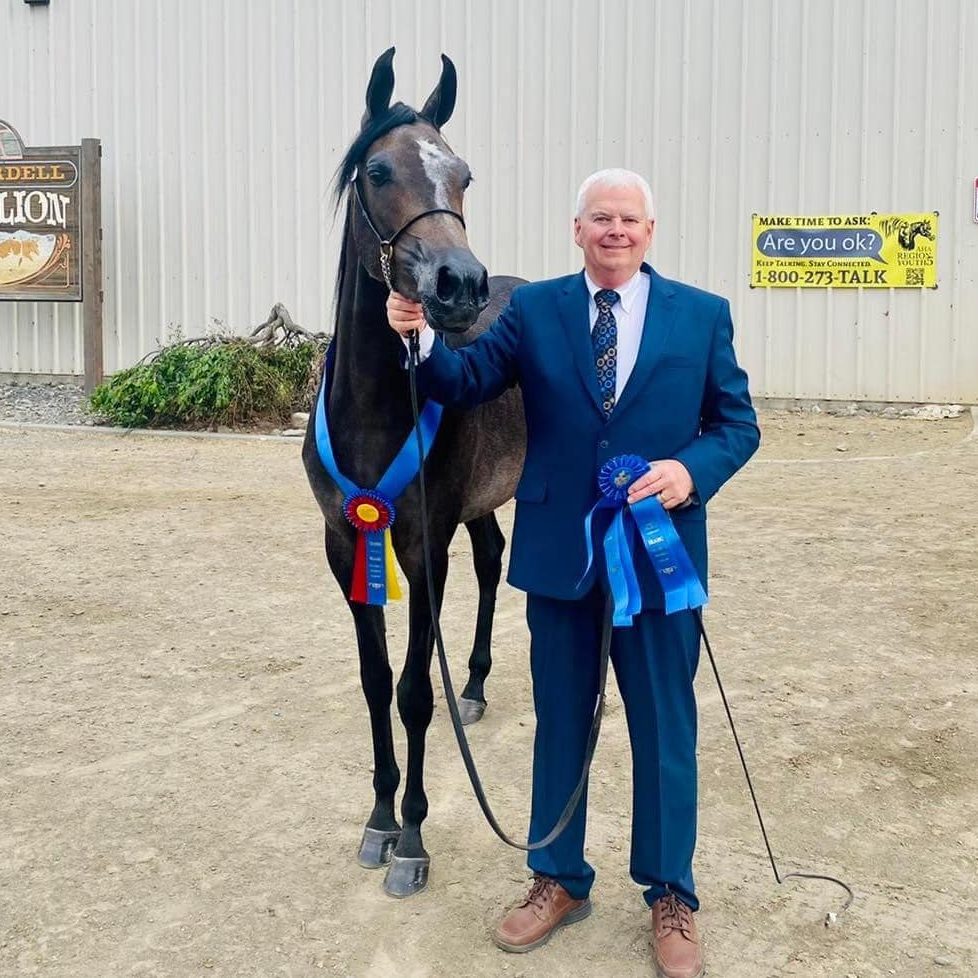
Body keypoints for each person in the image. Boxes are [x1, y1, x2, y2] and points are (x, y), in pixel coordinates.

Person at [387, 168, 759, 978]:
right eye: (601, 219)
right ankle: (557, 878)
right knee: (561, 718)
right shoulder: (535, 310)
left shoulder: (702, 316)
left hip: (659, 561)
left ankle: (671, 893)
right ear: (577, 230)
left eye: (629, 219)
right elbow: (466, 379)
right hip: (560, 557)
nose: (615, 231)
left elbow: (737, 424)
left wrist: (690, 472)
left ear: (650, 231)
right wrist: (418, 337)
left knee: (665, 728)